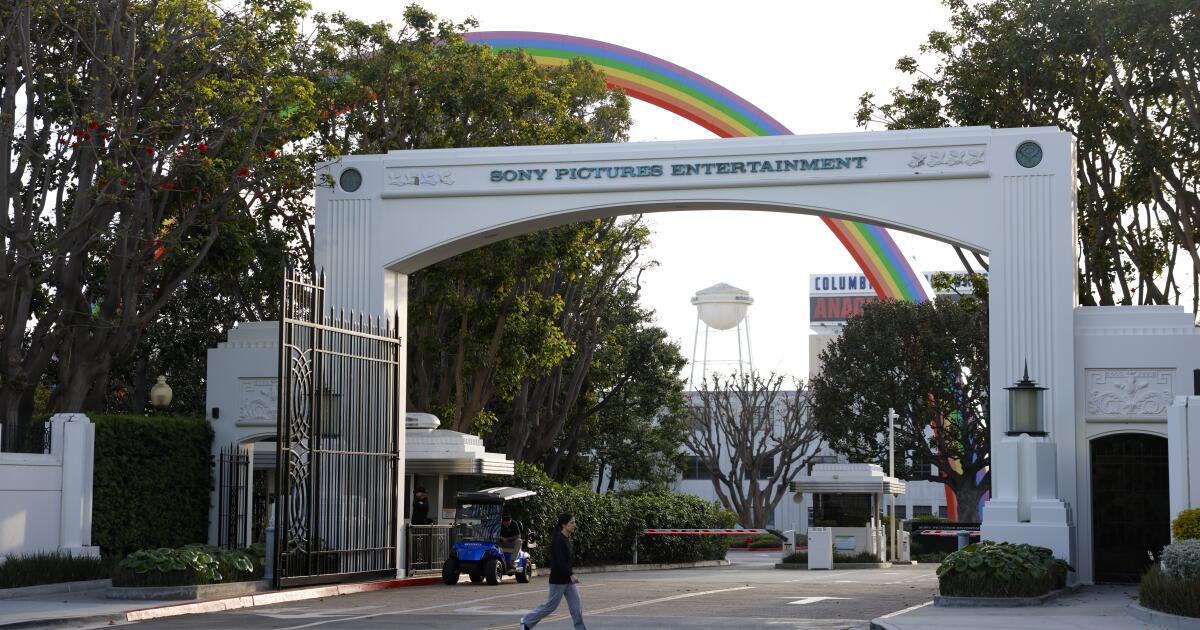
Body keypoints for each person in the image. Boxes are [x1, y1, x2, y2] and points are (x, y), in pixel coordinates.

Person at [520, 513, 585, 630]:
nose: (574, 525)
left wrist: (570, 574)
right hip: (558, 580)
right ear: (563, 525)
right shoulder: (559, 540)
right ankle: (526, 621)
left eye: (574, 522)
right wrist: (570, 574)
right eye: (572, 522)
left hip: (568, 581)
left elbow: (567, 561)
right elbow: (560, 561)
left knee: (576, 608)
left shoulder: (567, 540)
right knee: (550, 606)